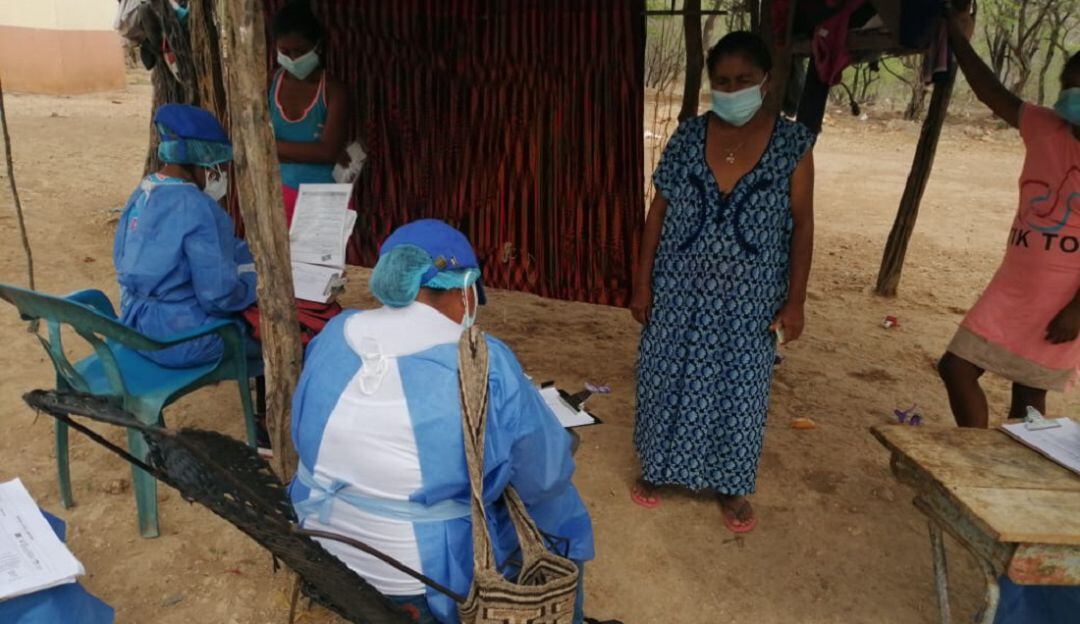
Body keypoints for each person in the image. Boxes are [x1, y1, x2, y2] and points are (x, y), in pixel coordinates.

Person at [289, 220, 594, 623]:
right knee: (558, 510)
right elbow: (542, 476)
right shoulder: (483, 362)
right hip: (420, 578)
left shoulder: (335, 333)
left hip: (321, 543)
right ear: (463, 287)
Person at [629, 31, 816, 533]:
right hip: (678, 286)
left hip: (752, 297)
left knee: (741, 386)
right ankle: (657, 469)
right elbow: (658, 211)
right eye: (723, 81)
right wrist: (642, 282)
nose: (732, 90)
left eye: (744, 80)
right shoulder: (689, 136)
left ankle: (730, 484)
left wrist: (795, 302)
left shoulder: (793, 144)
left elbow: (803, 226)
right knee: (665, 375)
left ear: (767, 81)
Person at [937, 6, 1080, 428]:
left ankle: (1009, 476)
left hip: (1063, 296)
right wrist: (957, 39)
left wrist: (1078, 309)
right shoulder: (1044, 126)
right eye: (1069, 87)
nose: (1072, 97)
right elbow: (987, 89)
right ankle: (979, 452)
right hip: (1014, 284)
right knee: (956, 367)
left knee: (1028, 400)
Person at [114, 103, 257, 368]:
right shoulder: (198, 207)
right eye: (219, 166)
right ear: (204, 161)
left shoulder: (143, 193)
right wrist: (253, 283)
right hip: (181, 340)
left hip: (135, 328)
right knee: (274, 333)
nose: (221, 174)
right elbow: (219, 296)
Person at [269, 1, 349, 225]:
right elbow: (248, 142)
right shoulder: (269, 84)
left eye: (301, 51)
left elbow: (327, 152)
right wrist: (308, 151)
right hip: (275, 194)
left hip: (322, 201)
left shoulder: (334, 91)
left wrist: (271, 147)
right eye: (285, 52)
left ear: (318, 46)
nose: (293, 59)